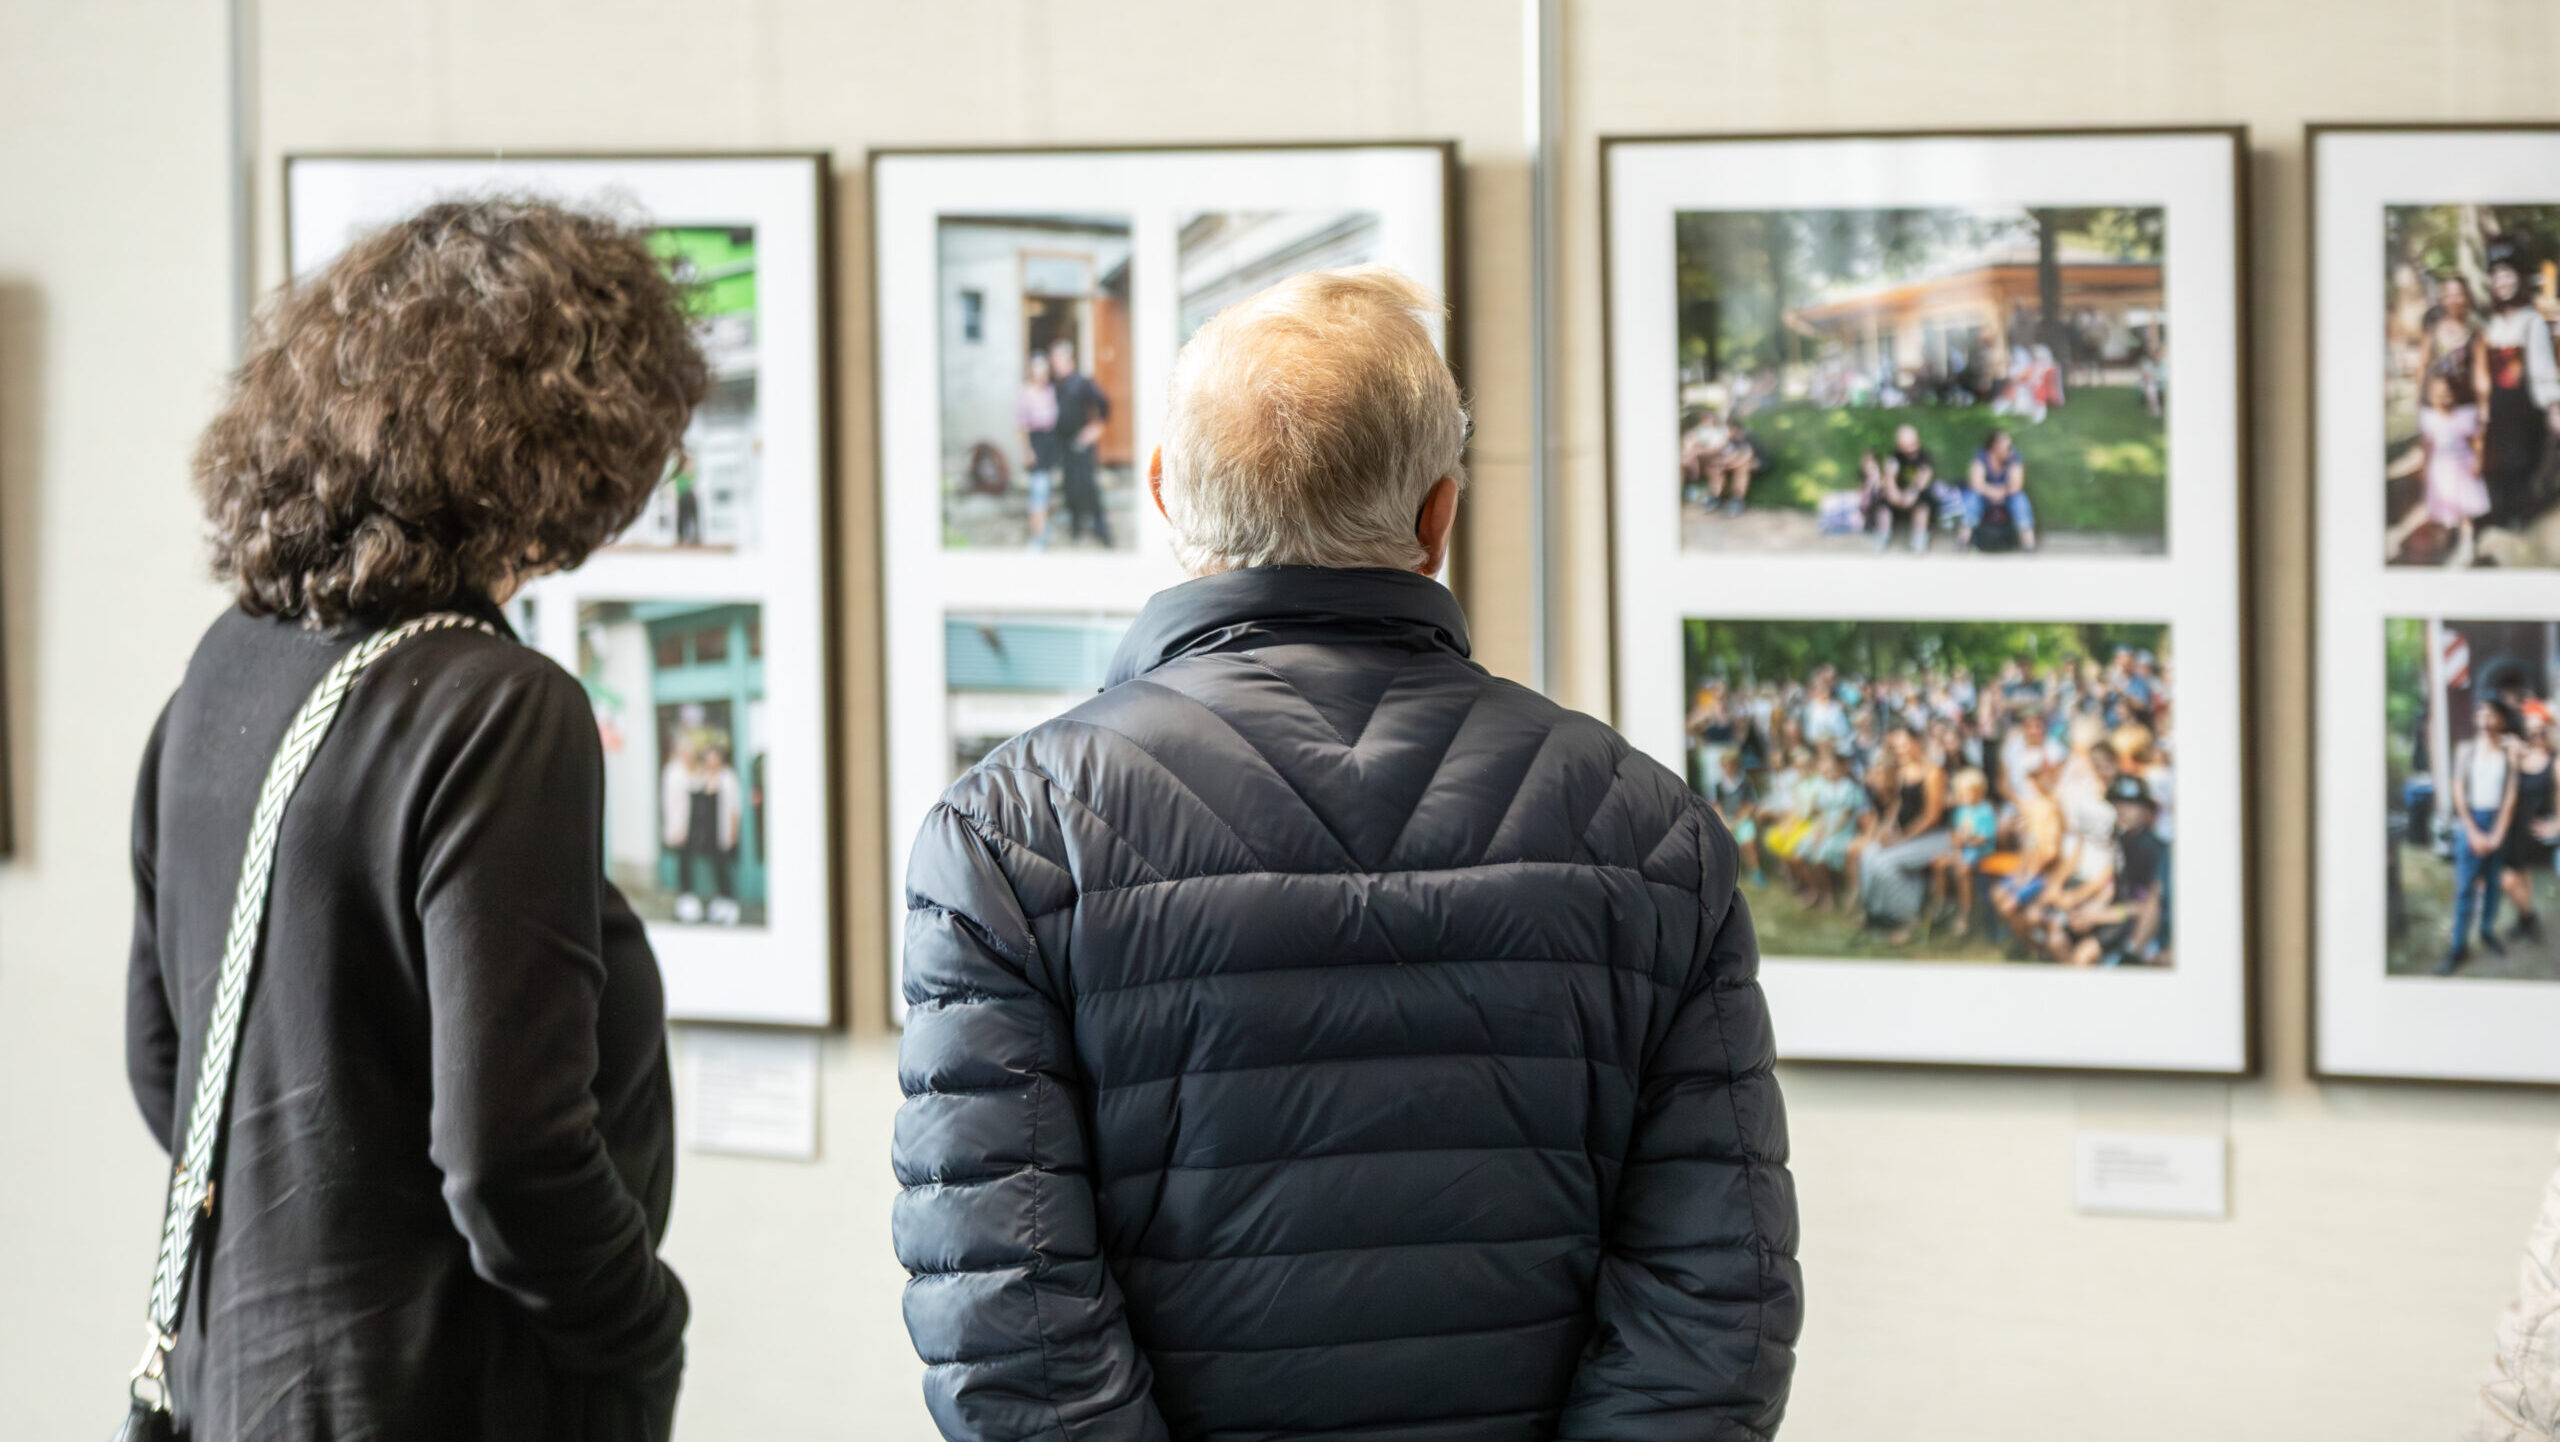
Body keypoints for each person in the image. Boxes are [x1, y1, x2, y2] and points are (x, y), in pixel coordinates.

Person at [891, 266, 1799, 1440]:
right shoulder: (1650, 829)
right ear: (1438, 517)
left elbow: (1008, 1320)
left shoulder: (1011, 833)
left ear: (1163, 494)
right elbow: (1716, 1307)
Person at [128, 199, 700, 1440]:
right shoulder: (497, 708)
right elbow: (510, 1154)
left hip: (241, 1385)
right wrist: (640, 1323)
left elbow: (164, 1063)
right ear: (570, 441)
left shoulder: (223, 668)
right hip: (441, 1391)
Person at [2479, 242, 2560, 531]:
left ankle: (2517, 513)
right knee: (2496, 462)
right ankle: (2498, 510)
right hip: (2496, 404)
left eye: (2508, 273)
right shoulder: (2492, 323)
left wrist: (2553, 407)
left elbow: (2542, 369)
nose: (2502, 280)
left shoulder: (2533, 320)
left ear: (2519, 277)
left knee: (2522, 462)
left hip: (2522, 405)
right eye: (2497, 275)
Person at [2446, 698, 2524, 974]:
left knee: (2492, 884)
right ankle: (2457, 947)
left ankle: (2487, 931)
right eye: (2480, 712)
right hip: (2472, 821)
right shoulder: (2465, 750)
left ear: (2501, 719)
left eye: (2491, 713)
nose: (2485, 718)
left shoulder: (2508, 752)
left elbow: (2511, 795)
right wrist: (2473, 831)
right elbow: (2458, 791)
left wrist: (2498, 834)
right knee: (2466, 886)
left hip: (2497, 820)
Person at [2061, 776, 2169, 966]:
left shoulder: (2155, 849)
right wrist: (2093, 909)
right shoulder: (2121, 839)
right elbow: (2115, 884)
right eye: (2117, 804)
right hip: (2115, 914)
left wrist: (2099, 916)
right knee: (2058, 936)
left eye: (2131, 805)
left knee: (2083, 956)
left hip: (2137, 928)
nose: (2122, 810)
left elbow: (2148, 907)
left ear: (2147, 811)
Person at [1858, 724, 1951, 943]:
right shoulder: (1903, 771)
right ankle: (1878, 913)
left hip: (1935, 838)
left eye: (1904, 745)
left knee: (1885, 864)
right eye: (1896, 746)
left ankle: (1907, 920)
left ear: (1917, 743)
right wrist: (1886, 829)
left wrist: (1901, 839)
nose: (1900, 751)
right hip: (1906, 837)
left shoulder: (1933, 772)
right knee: (1867, 856)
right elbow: (1898, 805)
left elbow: (1932, 817)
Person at [2388, 370, 2489, 566]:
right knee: (2433, 507)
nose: (2443, 397)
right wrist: (2424, 469)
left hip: (2462, 468)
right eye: (2438, 393)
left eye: (2447, 392)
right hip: (2440, 471)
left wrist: (2478, 461)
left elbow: (2476, 441)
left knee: (2463, 509)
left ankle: (2466, 544)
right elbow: (2427, 447)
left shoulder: (2464, 416)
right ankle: (2399, 535)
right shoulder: (2430, 418)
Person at [1048, 336, 1114, 547]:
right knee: (1070, 486)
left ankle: (1100, 528)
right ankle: (1076, 526)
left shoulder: (1082, 382)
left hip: (1082, 443)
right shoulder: (1054, 385)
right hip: (1063, 445)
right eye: (1053, 359)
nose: (1054, 363)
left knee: (1089, 486)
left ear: (1069, 360)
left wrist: (1097, 428)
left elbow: (1104, 403)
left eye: (1057, 358)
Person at [2502, 707, 2559, 945]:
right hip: (2517, 829)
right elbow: (2511, 794)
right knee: (2514, 878)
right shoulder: (2518, 758)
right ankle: (2527, 918)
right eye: (2531, 732)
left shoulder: (2555, 762)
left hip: (2539, 832)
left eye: (2540, 731)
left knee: (2513, 878)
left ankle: (2527, 920)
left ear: (2548, 732)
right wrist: (2515, 763)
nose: (2536, 737)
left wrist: (2557, 824)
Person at [1930, 767, 1998, 939]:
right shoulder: (1960, 810)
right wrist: (1957, 845)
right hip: (1962, 850)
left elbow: (1983, 838)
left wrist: (1964, 842)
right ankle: (1943, 902)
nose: (1962, 797)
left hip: (1981, 852)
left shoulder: (1985, 810)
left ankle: (1965, 914)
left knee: (1962, 870)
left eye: (1966, 793)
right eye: (1960, 793)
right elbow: (1955, 833)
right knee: (1938, 862)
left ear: (1979, 792)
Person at [1962, 427, 2038, 553]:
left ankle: (2028, 543)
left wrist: (2001, 492)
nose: (2009, 449)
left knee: (2020, 500)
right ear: (1994, 446)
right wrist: (1992, 492)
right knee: (1972, 498)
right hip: (1984, 495)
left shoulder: (2014, 456)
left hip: (2007, 494)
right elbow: (1976, 483)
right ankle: (1963, 541)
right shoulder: (1981, 455)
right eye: (2006, 446)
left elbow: (2016, 484)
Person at [1016, 348, 1060, 550]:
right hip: (1036, 442)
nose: (1041, 372)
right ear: (1032, 370)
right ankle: (1036, 538)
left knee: (1047, 488)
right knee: (1038, 490)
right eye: (1037, 368)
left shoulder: (1050, 390)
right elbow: (1022, 426)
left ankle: (1043, 529)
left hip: (1051, 442)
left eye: (1044, 368)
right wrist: (1028, 451)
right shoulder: (1026, 393)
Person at [1870, 424, 1936, 553]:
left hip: (1915, 494)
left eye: (1912, 444)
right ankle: (1882, 537)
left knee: (1923, 504)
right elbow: (1889, 477)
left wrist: (1911, 494)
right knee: (1882, 503)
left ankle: (1919, 539)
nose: (1910, 448)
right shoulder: (1895, 457)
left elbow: (1923, 479)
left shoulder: (1924, 457)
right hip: (1897, 495)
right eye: (1905, 445)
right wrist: (1894, 494)